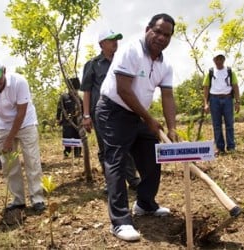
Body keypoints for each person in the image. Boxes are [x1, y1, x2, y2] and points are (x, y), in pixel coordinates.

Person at [95, 13, 177, 241]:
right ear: (148, 29)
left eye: (167, 35)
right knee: (117, 162)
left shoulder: (165, 64)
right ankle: (120, 222)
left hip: (138, 115)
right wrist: (149, 119)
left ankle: (145, 203)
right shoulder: (131, 50)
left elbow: (168, 96)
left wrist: (171, 128)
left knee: (152, 157)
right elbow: (123, 89)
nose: (161, 37)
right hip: (114, 111)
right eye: (158, 31)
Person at [0, 54, 45, 213]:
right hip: (3, 124)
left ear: (4, 71)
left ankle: (37, 198)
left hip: (26, 122)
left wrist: (9, 139)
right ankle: (18, 199)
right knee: (8, 163)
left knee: (32, 160)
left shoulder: (19, 82)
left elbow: (21, 114)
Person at [81, 29, 140, 192]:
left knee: (126, 145)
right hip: (101, 113)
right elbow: (86, 90)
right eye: (111, 40)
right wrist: (86, 115)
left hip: (123, 110)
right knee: (106, 148)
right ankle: (112, 182)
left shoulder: (123, 61)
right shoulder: (92, 64)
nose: (115, 42)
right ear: (101, 44)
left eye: (116, 39)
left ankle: (133, 179)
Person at [203, 52, 240, 155]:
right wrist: (206, 104)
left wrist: (237, 101)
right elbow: (205, 88)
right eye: (217, 59)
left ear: (224, 60)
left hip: (228, 99)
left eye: (221, 59)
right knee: (216, 125)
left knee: (229, 124)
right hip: (214, 100)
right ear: (214, 60)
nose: (219, 61)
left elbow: (235, 86)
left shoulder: (229, 71)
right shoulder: (210, 72)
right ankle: (220, 148)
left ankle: (231, 147)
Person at [56, 78, 83, 158]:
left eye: (76, 90)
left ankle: (77, 153)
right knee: (67, 136)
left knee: (78, 136)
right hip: (67, 121)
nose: (74, 92)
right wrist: (58, 118)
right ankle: (67, 153)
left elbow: (83, 108)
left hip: (77, 122)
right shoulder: (63, 97)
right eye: (72, 90)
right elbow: (59, 108)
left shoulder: (79, 98)